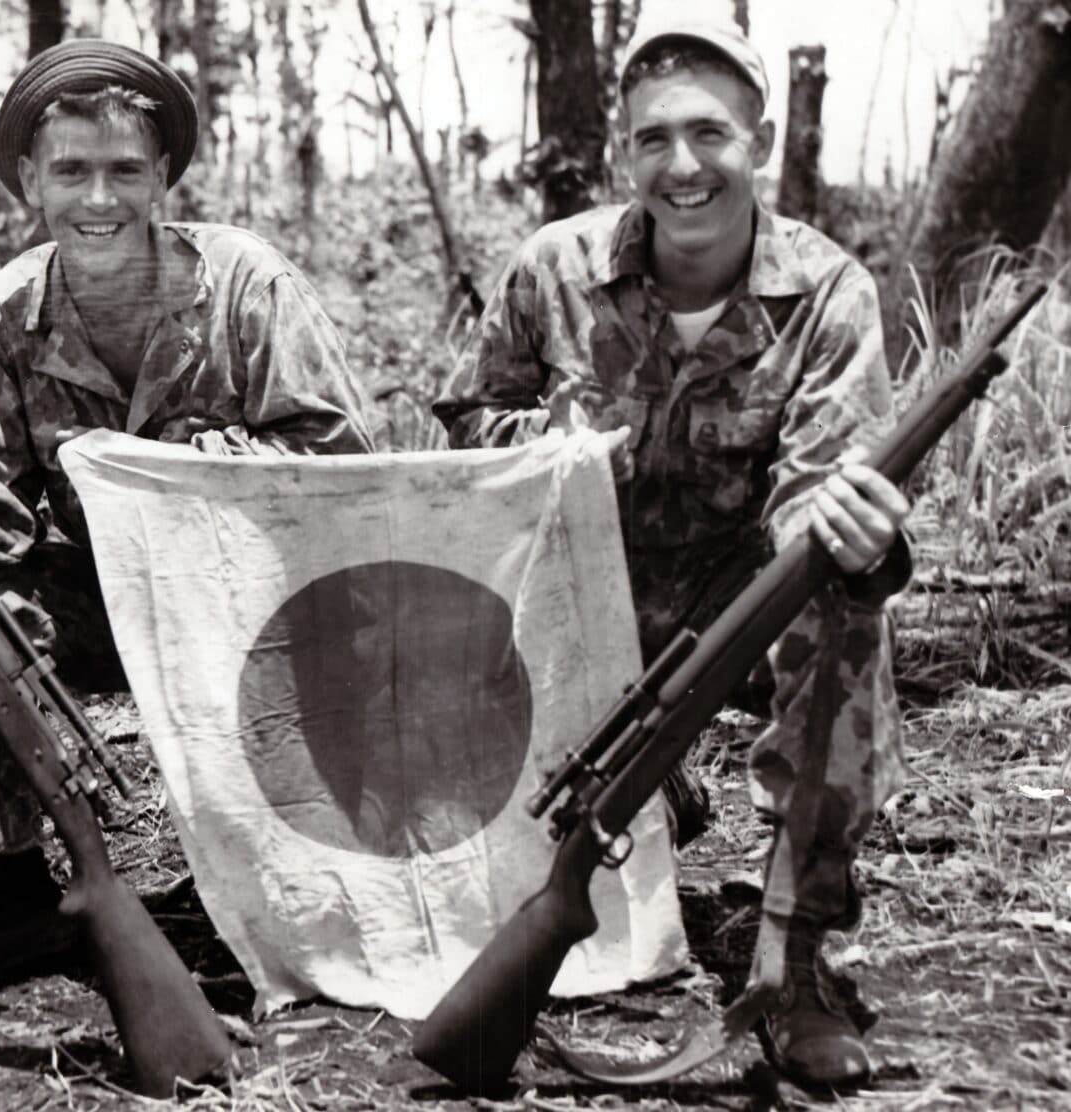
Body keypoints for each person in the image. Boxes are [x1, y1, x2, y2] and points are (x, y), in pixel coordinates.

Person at [0, 40, 374, 1014]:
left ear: (164, 177)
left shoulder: (243, 284)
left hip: (254, 597)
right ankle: (20, 890)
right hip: (104, 602)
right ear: (31, 179)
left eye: (123, 170)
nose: (97, 197)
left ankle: (279, 870)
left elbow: (347, 469)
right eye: (71, 170)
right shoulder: (0, 315)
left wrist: (191, 476)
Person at [434, 13, 911, 1090]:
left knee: (840, 593)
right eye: (653, 138)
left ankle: (790, 956)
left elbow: (813, 495)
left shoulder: (830, 293)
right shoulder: (548, 267)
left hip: (732, 615)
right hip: (562, 606)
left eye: (709, 133)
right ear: (621, 150)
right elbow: (463, 435)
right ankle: (624, 815)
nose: (682, 166)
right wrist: (545, 451)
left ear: (761, 137)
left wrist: (853, 538)